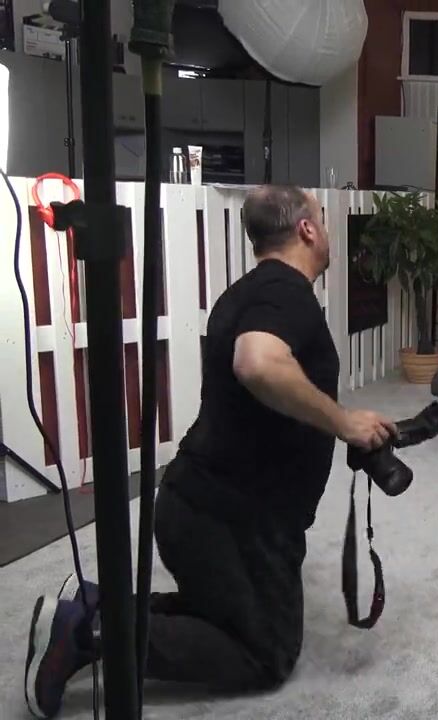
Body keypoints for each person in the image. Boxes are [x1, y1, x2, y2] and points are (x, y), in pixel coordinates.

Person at [24, 186, 399, 718]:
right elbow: (257, 363)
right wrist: (343, 423)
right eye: (324, 220)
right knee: (265, 654)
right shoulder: (286, 292)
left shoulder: (244, 292)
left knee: (223, 614)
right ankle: (89, 631)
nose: (328, 232)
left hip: (202, 505)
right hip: (231, 521)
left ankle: (97, 602)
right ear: (307, 230)